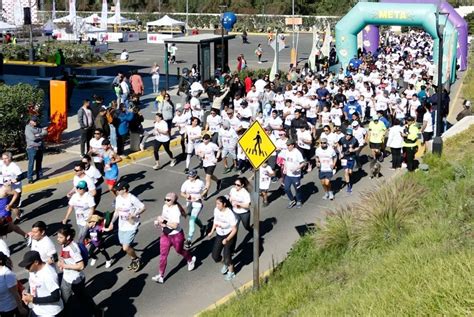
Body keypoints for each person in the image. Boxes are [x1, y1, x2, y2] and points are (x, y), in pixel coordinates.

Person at [152, 192, 196, 283]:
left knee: (179, 251)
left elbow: (175, 225)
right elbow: (163, 217)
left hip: (176, 235)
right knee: (163, 255)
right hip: (166, 234)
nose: (166, 201)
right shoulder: (165, 206)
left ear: (173, 201)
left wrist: (163, 221)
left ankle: (190, 259)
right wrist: (158, 222)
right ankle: (160, 275)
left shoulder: (176, 210)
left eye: (168, 200)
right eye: (165, 199)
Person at [56, 226, 101, 316]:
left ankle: (98, 312)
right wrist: (61, 262)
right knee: (66, 300)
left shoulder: (73, 249)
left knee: (84, 300)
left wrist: (64, 265)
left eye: (60, 237)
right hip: (66, 278)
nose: (58, 239)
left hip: (76, 280)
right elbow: (63, 255)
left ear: (68, 237)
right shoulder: (64, 244)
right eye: (58, 237)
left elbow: (81, 266)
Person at [107, 182, 145, 272]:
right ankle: (133, 258)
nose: (117, 190)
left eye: (119, 189)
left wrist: (135, 214)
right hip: (122, 226)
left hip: (131, 225)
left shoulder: (132, 198)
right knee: (123, 244)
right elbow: (117, 211)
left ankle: (136, 259)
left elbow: (143, 207)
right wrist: (112, 222)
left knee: (125, 247)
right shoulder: (118, 198)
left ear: (124, 189)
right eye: (117, 189)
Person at [18, 250, 63, 317]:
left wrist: (33, 299)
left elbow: (56, 297)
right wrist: (28, 294)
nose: (26, 269)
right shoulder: (32, 270)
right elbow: (32, 283)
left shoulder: (48, 274)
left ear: (36, 262)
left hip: (50, 313)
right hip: (37, 309)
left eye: (28, 266)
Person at [208, 196, 238, 281]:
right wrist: (212, 231)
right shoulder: (216, 210)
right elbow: (215, 221)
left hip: (229, 235)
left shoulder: (230, 214)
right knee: (215, 256)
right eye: (216, 203)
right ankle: (225, 263)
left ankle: (231, 272)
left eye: (218, 204)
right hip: (219, 235)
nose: (216, 205)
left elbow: (234, 229)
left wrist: (227, 239)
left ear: (224, 204)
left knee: (227, 256)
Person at [180, 170, 207, 249]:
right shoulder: (186, 183)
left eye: (191, 176)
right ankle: (202, 227)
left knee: (191, 220)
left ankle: (189, 240)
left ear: (195, 176)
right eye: (188, 176)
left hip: (197, 204)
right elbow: (182, 193)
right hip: (189, 203)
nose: (189, 177)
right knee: (192, 217)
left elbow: (205, 189)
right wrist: (186, 196)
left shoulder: (200, 183)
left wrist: (200, 196)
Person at [0, 251, 27, 317]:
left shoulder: (7, 274)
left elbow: (15, 293)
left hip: (11, 309)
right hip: (2, 309)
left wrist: (21, 308)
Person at [280, 139, 305, 209]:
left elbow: (303, 163)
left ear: (293, 145)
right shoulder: (286, 152)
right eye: (287, 145)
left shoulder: (297, 153)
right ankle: (292, 200)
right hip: (288, 174)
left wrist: (296, 168)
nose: (287, 146)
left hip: (296, 175)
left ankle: (299, 200)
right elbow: (285, 160)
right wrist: (284, 168)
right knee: (286, 188)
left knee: (297, 189)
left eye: (288, 145)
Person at [196, 134, 221, 198]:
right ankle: (218, 181)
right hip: (205, 163)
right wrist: (201, 154)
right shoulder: (200, 145)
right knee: (210, 176)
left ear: (209, 139)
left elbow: (218, 150)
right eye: (204, 139)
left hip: (212, 163)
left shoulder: (212, 145)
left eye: (206, 139)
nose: (205, 140)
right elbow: (197, 152)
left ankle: (205, 193)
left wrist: (216, 158)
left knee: (207, 178)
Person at [1, 152, 23, 222]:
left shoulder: (14, 166)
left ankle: (18, 217)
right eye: (3, 158)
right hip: (7, 189)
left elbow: (22, 176)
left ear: (10, 158)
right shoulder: (3, 165)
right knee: (7, 205)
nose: (4, 160)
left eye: (6, 158)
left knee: (13, 207)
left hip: (15, 190)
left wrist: (15, 180)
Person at [25, 115, 47, 183]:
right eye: (34, 121)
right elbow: (32, 138)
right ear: (31, 121)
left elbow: (45, 132)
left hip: (40, 146)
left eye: (36, 121)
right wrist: (41, 134)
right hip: (32, 147)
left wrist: (38, 135)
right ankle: (30, 178)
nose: (36, 122)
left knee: (39, 161)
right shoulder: (28, 128)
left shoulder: (38, 125)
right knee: (31, 163)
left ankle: (39, 175)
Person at [338, 128, 360, 193]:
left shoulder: (354, 140)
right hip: (344, 157)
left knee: (350, 172)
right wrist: (340, 153)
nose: (348, 136)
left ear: (351, 135)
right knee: (346, 171)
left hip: (351, 157)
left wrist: (353, 150)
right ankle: (348, 186)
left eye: (349, 135)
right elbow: (338, 144)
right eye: (347, 134)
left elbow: (358, 147)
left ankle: (350, 178)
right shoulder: (342, 139)